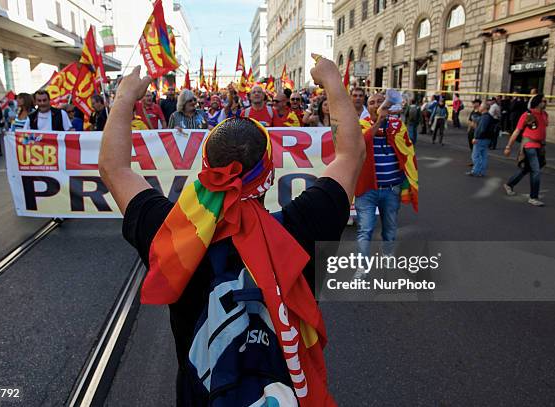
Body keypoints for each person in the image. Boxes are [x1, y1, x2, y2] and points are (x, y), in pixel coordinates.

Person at [98, 56, 364, 405]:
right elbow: (351, 153)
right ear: (269, 175)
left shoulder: (172, 234)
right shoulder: (304, 226)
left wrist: (124, 96)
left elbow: (113, 168)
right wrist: (331, 79)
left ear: (206, 170)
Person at [353, 93, 418, 279]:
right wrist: (379, 122)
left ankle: (387, 254)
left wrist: (387, 123)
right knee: (365, 229)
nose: (376, 105)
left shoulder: (397, 126)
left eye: (381, 101)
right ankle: (362, 267)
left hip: (391, 188)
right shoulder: (360, 125)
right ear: (368, 107)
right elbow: (361, 143)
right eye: (372, 103)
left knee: (390, 227)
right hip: (367, 190)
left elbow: (407, 150)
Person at [503, 94, 548, 207]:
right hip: (529, 145)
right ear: (538, 102)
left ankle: (509, 184)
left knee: (527, 169)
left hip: (540, 146)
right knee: (536, 171)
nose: (546, 103)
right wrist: (508, 146)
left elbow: (543, 127)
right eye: (544, 101)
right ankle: (533, 197)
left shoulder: (544, 114)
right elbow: (517, 131)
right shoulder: (527, 115)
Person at [466, 102, 494, 177]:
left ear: (484, 108)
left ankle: (475, 171)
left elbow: (482, 129)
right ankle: (482, 172)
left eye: (481, 106)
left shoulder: (485, 117)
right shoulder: (488, 116)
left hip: (481, 139)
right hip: (487, 139)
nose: (479, 107)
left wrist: (476, 138)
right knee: (483, 156)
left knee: (475, 156)